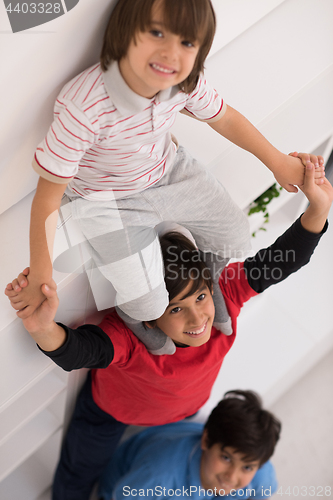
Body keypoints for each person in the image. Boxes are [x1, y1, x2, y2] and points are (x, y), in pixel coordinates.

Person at [10, 0, 325, 355]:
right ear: (125, 31)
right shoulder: (85, 105)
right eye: (157, 33)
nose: (171, 53)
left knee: (236, 238)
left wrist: (277, 162)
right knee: (148, 306)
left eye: (187, 43)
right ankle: (139, 319)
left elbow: (224, 118)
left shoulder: (184, 81)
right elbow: (47, 198)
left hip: (170, 170)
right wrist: (41, 274)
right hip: (107, 201)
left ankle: (210, 288)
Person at [5, 160, 332, 499]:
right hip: (110, 413)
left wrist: (319, 206)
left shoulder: (224, 295)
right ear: (150, 317)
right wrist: (41, 326)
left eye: (200, 297)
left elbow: (281, 260)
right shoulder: (132, 336)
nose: (197, 319)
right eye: (176, 308)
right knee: (77, 474)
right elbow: (79, 351)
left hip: (183, 410)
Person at [98, 390, 281, 500]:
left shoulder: (260, 473)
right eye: (226, 458)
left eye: (247, 467)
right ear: (206, 441)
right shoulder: (157, 475)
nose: (232, 477)